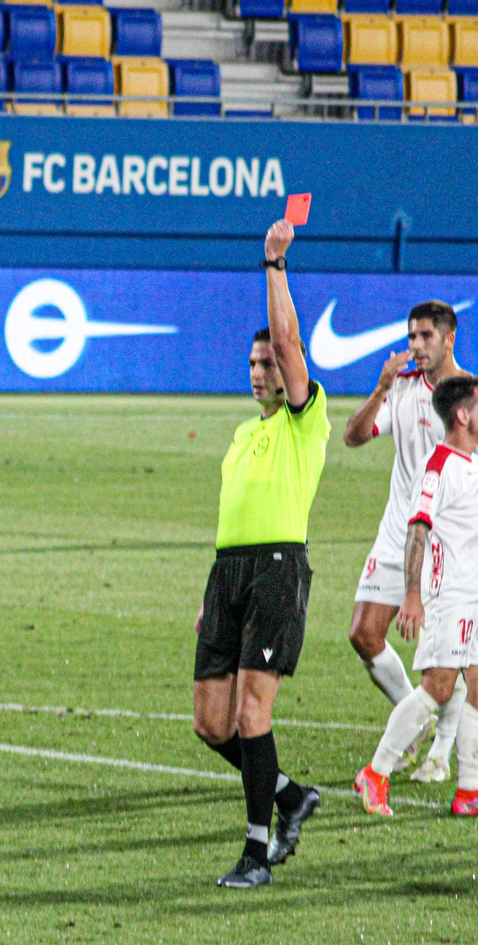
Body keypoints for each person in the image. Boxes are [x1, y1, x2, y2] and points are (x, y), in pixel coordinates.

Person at [191, 219, 324, 890]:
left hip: (276, 570)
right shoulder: (243, 432)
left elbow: (289, 340)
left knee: (251, 715)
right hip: (230, 574)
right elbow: (228, 520)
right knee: (210, 723)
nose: (259, 371)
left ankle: (256, 850)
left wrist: (273, 265)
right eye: (252, 364)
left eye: (267, 363)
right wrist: (208, 596)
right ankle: (290, 793)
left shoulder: (307, 420)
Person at [343, 302, 478, 785]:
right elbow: (354, 438)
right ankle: (415, 720)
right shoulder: (400, 389)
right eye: (411, 336)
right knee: (363, 633)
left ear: (448, 338)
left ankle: (440, 754)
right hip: (402, 531)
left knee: (455, 660)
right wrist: (379, 389)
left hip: (450, 546)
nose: (414, 346)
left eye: (423, 337)